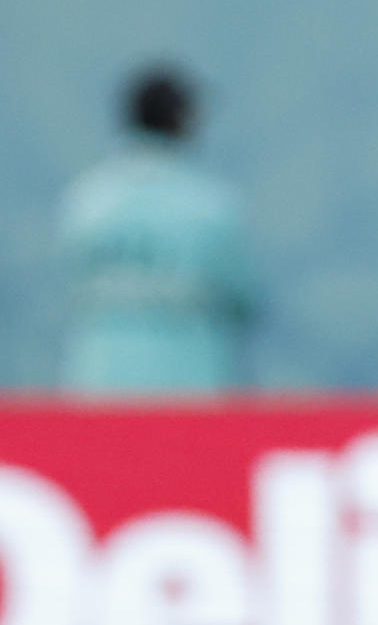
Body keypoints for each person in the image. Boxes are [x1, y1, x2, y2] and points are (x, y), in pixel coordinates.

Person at [57, 65, 255, 394]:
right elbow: (244, 299)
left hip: (97, 386)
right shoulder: (211, 207)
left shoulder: (85, 202)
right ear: (183, 122)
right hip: (191, 391)